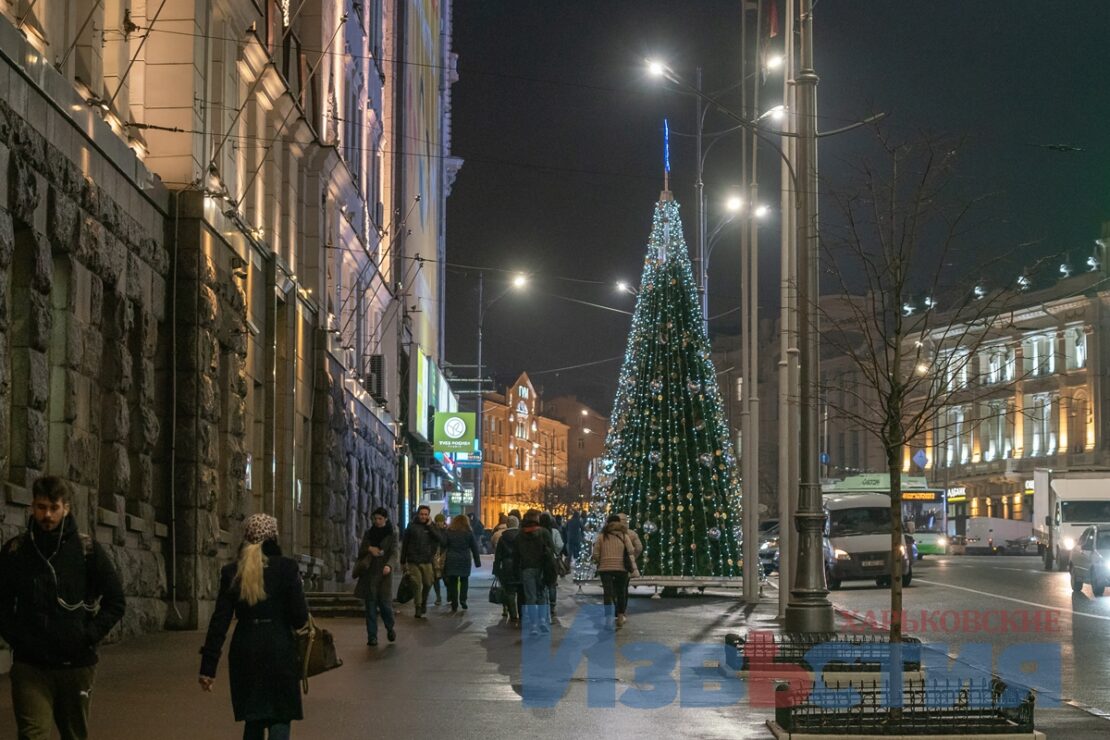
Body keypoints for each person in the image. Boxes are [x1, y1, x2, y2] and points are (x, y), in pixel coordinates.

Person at [0, 476, 126, 740]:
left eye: (53, 508)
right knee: (32, 734)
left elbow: (116, 601)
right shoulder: (16, 551)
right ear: (32, 507)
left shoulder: (86, 550)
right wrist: (17, 638)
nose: (47, 515)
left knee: (74, 734)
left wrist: (87, 636)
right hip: (31, 666)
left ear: (66, 508)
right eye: (41, 507)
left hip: (76, 666)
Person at [200, 513, 309, 740]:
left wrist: (208, 667)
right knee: (280, 715)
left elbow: (220, 621)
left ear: (246, 537)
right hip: (279, 647)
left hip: (245, 649)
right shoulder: (287, 569)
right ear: (273, 537)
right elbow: (300, 618)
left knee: (253, 718)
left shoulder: (232, 572)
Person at [355, 507, 398, 647]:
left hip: (384, 573)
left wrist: (389, 566)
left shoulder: (392, 534)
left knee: (385, 605)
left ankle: (390, 627)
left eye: (380, 518)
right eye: (375, 519)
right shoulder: (369, 533)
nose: (377, 521)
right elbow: (361, 550)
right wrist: (369, 549)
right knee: (370, 606)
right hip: (370, 572)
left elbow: (394, 552)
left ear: (385, 519)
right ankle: (372, 636)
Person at [592, 513, 640, 629]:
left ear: (607, 523)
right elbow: (631, 551)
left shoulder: (601, 536)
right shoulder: (624, 536)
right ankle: (620, 617)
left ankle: (608, 619)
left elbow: (595, 554)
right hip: (621, 569)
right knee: (621, 592)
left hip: (605, 568)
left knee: (607, 594)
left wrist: (602, 560)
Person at [514, 509, 556, 634]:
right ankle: (542, 620)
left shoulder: (520, 535)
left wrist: (516, 571)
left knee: (530, 598)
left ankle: (533, 625)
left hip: (527, 568)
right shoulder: (544, 532)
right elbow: (552, 550)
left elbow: (516, 555)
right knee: (542, 595)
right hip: (542, 568)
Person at [400, 505, 445, 618]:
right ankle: (418, 607)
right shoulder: (411, 526)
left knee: (428, 582)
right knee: (416, 583)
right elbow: (405, 544)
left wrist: (430, 526)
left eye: (425, 514)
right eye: (421, 514)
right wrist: (402, 561)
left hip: (427, 560)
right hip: (413, 560)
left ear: (428, 515)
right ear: (418, 514)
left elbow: (440, 539)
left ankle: (424, 601)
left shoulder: (432, 526)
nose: (423, 516)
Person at [442, 515, 482, 612]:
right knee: (464, 580)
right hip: (464, 558)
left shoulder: (449, 532)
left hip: (451, 559)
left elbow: (444, 544)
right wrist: (477, 562)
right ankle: (463, 600)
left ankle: (454, 602)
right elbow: (474, 548)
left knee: (453, 582)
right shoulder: (468, 532)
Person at [492, 515, 521, 623]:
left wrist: (496, 570)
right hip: (519, 565)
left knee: (510, 591)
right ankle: (521, 614)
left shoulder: (502, 538)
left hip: (507, 566)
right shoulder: (521, 536)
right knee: (520, 591)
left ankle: (513, 615)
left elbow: (498, 555)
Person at [539, 512, 564, 619]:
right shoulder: (554, 532)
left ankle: (543, 604)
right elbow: (560, 545)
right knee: (552, 584)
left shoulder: (538, 532)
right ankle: (552, 606)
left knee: (542, 583)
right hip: (552, 561)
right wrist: (556, 553)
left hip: (540, 561)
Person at [431, 513, 449, 606]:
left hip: (444, 557)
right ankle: (438, 597)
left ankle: (449, 595)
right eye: (437, 522)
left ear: (443, 522)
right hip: (434, 558)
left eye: (440, 522)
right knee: (435, 579)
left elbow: (444, 542)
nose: (439, 524)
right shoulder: (432, 530)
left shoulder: (447, 531)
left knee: (446, 579)